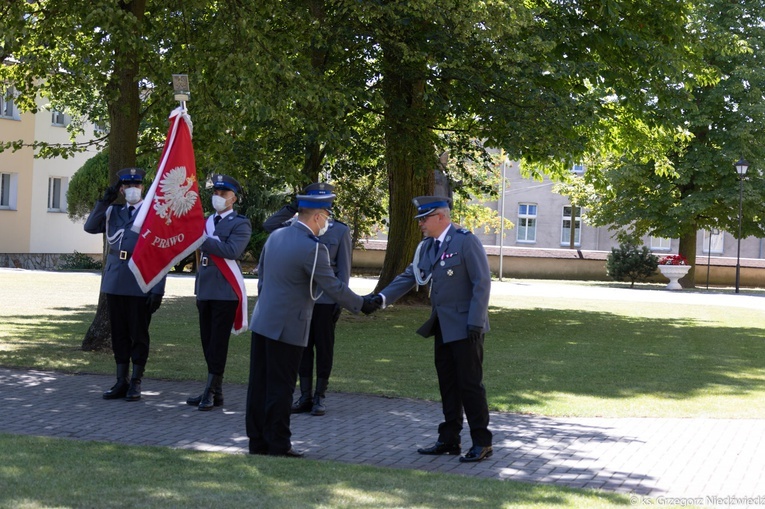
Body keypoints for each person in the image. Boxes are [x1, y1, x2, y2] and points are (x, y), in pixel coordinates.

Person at [246, 189, 379, 457]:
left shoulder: (276, 236)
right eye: (326, 217)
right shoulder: (313, 248)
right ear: (318, 217)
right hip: (289, 325)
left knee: (259, 384)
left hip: (263, 320)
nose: (326, 223)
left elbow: (262, 280)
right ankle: (278, 444)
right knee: (282, 388)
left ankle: (258, 442)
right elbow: (332, 286)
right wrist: (362, 304)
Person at [372, 196, 493, 463]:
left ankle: (482, 442)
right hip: (442, 326)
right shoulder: (428, 247)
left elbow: (481, 282)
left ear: (441, 217)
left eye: (424, 219)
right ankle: (450, 439)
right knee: (448, 385)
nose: (420, 225)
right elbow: (409, 275)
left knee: (470, 385)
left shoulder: (465, 240)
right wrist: (379, 299)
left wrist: (475, 321)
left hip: (466, 327)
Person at [263, 182, 351, 416]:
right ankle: (305, 395)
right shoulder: (293, 226)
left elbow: (343, 270)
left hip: (324, 301)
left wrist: (339, 302)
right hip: (300, 300)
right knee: (301, 348)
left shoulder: (339, 230)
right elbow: (268, 225)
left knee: (324, 349)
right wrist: (292, 207)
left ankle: (320, 396)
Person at [84, 167, 165, 402]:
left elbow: (161, 253)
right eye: (128, 186)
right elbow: (90, 227)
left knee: (138, 334)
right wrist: (105, 199)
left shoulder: (152, 214)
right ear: (121, 190)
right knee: (118, 333)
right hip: (116, 280)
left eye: (137, 186)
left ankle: (136, 382)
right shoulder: (112, 212)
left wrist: (158, 288)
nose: (133, 190)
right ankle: (121, 380)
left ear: (143, 188)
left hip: (141, 280)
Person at [186, 174, 252, 411]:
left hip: (225, 290)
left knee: (218, 343)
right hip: (205, 288)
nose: (218, 197)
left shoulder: (240, 223)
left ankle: (210, 390)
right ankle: (216, 391)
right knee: (207, 341)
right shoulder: (205, 221)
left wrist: (202, 239)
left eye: (223, 194)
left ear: (233, 198)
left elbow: (232, 250)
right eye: (215, 193)